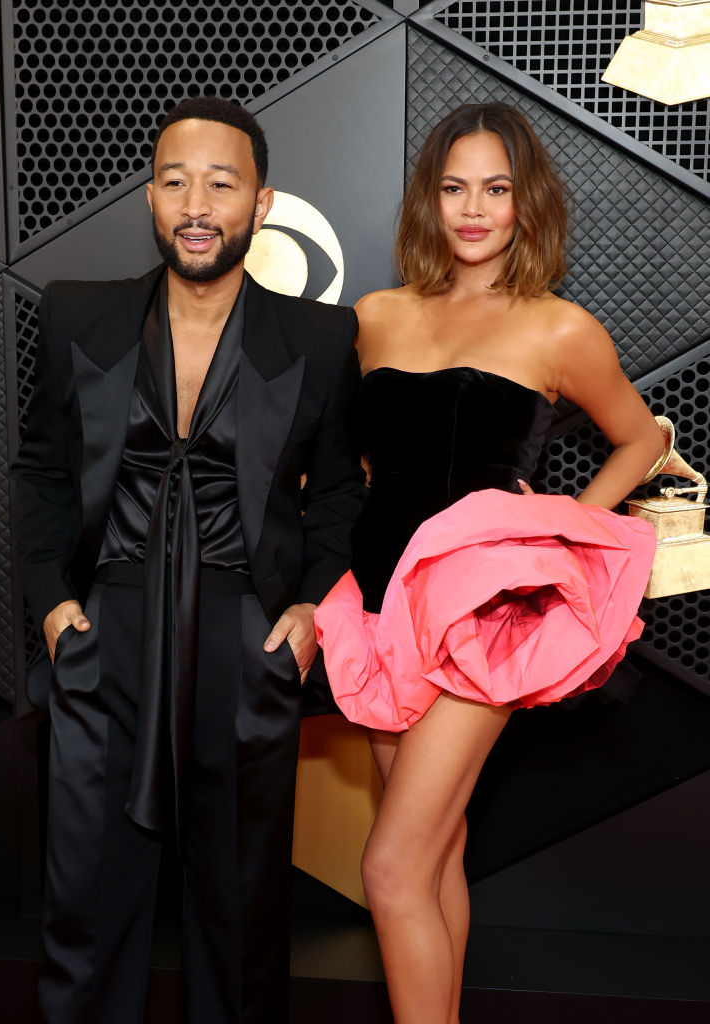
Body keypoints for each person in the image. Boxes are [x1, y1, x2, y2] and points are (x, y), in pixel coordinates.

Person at [12, 95, 365, 1024]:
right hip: (105, 630)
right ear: (150, 198)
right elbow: (41, 471)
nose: (197, 205)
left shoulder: (321, 338)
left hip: (246, 635)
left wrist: (309, 610)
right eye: (175, 182)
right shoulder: (76, 314)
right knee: (86, 898)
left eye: (221, 183)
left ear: (262, 202)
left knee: (241, 909)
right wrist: (52, 604)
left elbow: (338, 493)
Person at [314, 103, 664, 1024]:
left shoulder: (559, 329)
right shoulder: (374, 316)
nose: (473, 209)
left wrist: (558, 531)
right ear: (428, 201)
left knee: (389, 867)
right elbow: (353, 458)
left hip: (483, 619)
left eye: (495, 189)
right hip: (379, 601)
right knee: (434, 854)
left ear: (525, 202)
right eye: (453, 187)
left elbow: (640, 440)